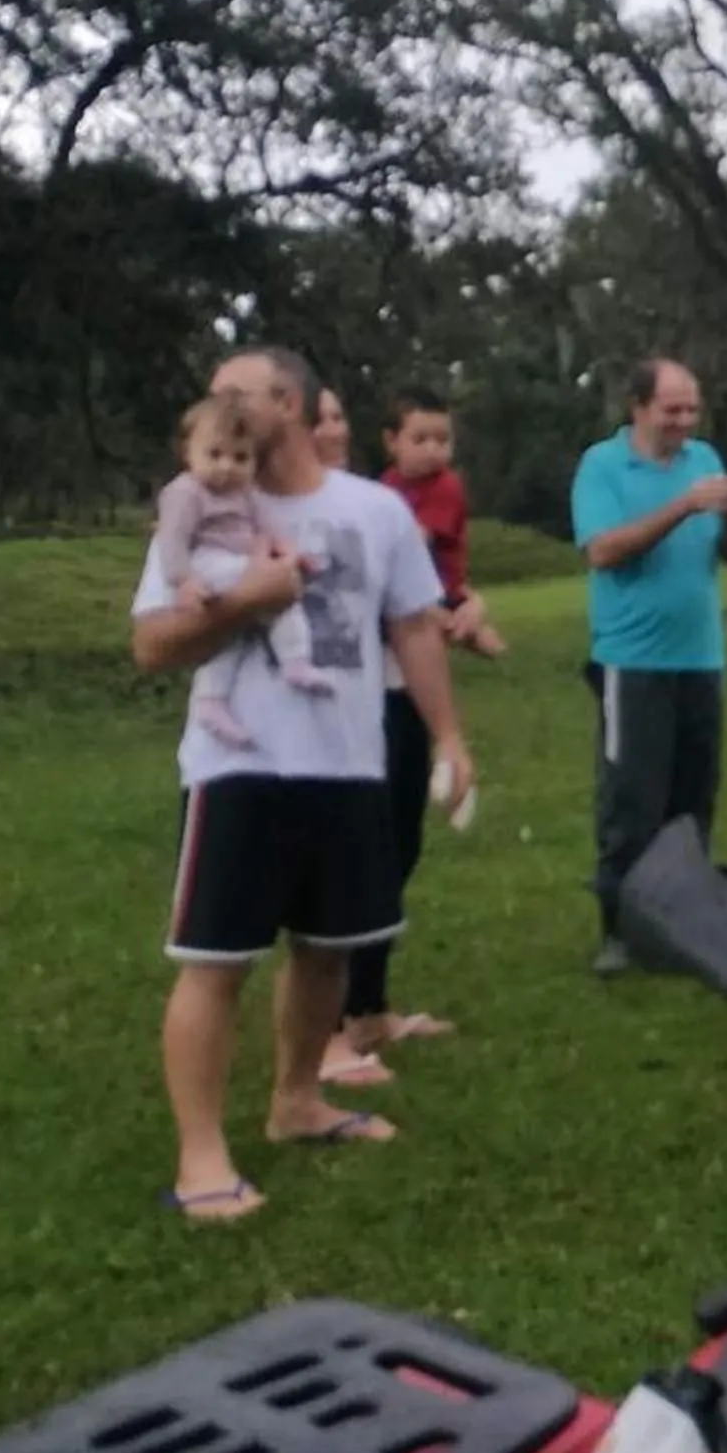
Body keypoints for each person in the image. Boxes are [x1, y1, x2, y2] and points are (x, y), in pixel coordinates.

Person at [130, 348, 476, 1222]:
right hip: (239, 768)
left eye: (232, 395)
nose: (215, 409)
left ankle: (297, 1101)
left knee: (329, 948)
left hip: (349, 764)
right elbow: (152, 645)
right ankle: (201, 1159)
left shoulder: (376, 511)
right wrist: (247, 597)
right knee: (216, 964)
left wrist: (448, 736)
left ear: (286, 403)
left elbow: (414, 628)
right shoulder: (198, 505)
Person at [321, 389, 502, 1082]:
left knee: (396, 851)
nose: (332, 428)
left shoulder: (382, 503)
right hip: (343, 707)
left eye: (339, 415)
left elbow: (418, 587)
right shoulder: (323, 512)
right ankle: (325, 1032)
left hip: (403, 695)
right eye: (319, 418)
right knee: (350, 863)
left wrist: (468, 604)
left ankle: (367, 1010)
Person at [573, 358, 727, 976]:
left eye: (692, 409)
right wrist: (684, 506)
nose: (684, 421)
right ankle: (620, 931)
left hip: (701, 657)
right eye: (672, 409)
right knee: (632, 802)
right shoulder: (603, 466)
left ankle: (685, 926)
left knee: (693, 799)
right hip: (633, 662)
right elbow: (603, 551)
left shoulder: (704, 460)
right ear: (639, 407)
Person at [153, 393, 326, 750]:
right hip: (207, 564)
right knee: (279, 594)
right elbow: (171, 540)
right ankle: (294, 659)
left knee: (232, 635)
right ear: (188, 452)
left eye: (241, 457)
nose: (227, 467)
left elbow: (269, 528)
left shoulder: (246, 493)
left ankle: (211, 700)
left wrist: (291, 553)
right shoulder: (185, 492)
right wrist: (183, 581)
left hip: (238, 564)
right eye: (214, 454)